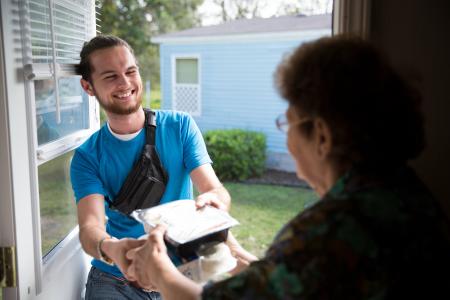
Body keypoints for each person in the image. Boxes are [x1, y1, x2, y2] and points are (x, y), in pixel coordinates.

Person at [125, 35, 450, 299]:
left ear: (321, 136)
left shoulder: (332, 230)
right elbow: (295, 282)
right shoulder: (403, 195)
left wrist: (158, 269)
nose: (288, 137)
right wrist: (232, 253)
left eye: (288, 122)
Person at [70, 35, 252, 300]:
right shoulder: (87, 157)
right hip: (115, 279)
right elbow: (90, 229)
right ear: (88, 86)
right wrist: (115, 249)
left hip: (181, 271)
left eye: (130, 71)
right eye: (110, 77)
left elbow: (214, 189)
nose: (125, 83)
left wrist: (214, 200)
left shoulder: (180, 127)